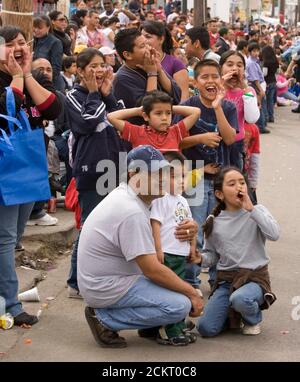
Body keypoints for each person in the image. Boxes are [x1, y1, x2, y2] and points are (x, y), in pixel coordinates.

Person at [78, 145, 203, 347]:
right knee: (180, 305)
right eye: (155, 173)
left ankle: (151, 323)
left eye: (164, 171)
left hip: (114, 279)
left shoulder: (132, 196)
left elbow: (166, 226)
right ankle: (104, 319)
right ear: (134, 174)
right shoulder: (131, 211)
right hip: (106, 287)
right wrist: (191, 292)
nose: (162, 178)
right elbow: (152, 270)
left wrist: (192, 227)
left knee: (176, 291)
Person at [0, 26, 61, 325]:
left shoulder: (29, 77)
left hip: (29, 171)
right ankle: (11, 304)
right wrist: (14, 77)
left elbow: (53, 109)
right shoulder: (4, 82)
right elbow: (7, 109)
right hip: (5, 173)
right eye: (9, 44)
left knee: (13, 238)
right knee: (5, 238)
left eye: (22, 42)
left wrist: (24, 74)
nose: (17, 48)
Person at [191, 167, 279, 337]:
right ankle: (232, 313)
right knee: (205, 328)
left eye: (242, 182)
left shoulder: (257, 210)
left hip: (255, 278)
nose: (239, 187)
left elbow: (274, 234)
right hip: (226, 280)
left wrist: (251, 209)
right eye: (232, 184)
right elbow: (213, 256)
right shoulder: (214, 221)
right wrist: (199, 258)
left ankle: (252, 319)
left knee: (240, 299)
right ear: (219, 194)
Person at [65, 48, 124, 297]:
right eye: (92, 66)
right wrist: (93, 93)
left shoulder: (105, 93)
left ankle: (102, 274)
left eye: (102, 65)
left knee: (113, 224)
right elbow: (88, 121)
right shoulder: (73, 96)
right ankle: (75, 281)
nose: (99, 70)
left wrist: (107, 95)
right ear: (79, 70)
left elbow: (122, 119)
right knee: (89, 224)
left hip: (115, 164)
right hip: (91, 169)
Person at [177, 59, 238, 289]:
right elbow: (176, 142)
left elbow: (230, 139)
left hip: (222, 182)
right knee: (196, 232)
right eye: (205, 77)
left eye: (215, 76)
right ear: (195, 82)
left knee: (220, 234)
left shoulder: (228, 107)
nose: (210, 81)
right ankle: (191, 282)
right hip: (196, 179)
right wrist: (200, 138)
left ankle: (217, 281)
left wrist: (218, 107)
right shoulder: (188, 106)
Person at [150, 151, 199, 345]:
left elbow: (189, 224)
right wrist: (158, 249)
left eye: (184, 176)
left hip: (180, 254)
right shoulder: (161, 198)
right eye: (175, 177)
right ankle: (168, 330)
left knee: (179, 289)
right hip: (167, 254)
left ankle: (173, 324)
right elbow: (156, 224)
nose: (181, 181)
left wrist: (192, 247)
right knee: (172, 291)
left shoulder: (182, 200)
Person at [113, 28, 181, 125]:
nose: (149, 49)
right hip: (142, 135)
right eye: (142, 46)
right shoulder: (123, 78)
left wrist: (159, 70)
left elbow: (177, 95)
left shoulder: (149, 65)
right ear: (127, 55)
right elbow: (148, 108)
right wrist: (152, 73)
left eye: (147, 44)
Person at [107, 90, 200, 152]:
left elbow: (196, 112)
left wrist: (169, 107)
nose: (164, 118)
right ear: (146, 116)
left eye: (168, 113)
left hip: (170, 180)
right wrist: (139, 110)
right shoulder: (137, 132)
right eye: (158, 113)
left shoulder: (175, 132)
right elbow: (111, 117)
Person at [220, 50, 259, 170]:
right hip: (215, 143)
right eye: (230, 64)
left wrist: (245, 88)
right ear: (221, 68)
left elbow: (252, 118)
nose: (235, 68)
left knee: (234, 179)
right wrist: (221, 84)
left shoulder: (248, 91)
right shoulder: (215, 88)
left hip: (236, 145)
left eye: (239, 65)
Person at [141, 21, 190, 101]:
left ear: (161, 39)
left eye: (148, 37)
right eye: (141, 36)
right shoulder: (138, 63)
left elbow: (183, 98)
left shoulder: (175, 63)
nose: (143, 40)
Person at [33, 15, 64, 92]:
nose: (36, 30)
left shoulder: (55, 42)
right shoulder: (31, 41)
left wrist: (44, 80)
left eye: (39, 28)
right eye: (34, 27)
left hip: (51, 85)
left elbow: (56, 68)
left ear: (48, 27)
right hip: (35, 82)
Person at [246, 43, 269, 134]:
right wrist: (260, 90)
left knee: (259, 104)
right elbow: (255, 79)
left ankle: (261, 125)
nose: (256, 53)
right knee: (259, 105)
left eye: (257, 51)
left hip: (256, 84)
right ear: (250, 52)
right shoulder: (251, 63)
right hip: (255, 85)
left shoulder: (254, 61)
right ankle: (261, 126)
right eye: (254, 51)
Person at [261, 45, 279, 123]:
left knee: (266, 101)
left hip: (267, 82)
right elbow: (277, 72)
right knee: (271, 100)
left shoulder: (266, 62)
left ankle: (266, 117)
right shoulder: (276, 61)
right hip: (273, 81)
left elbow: (264, 73)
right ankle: (271, 116)